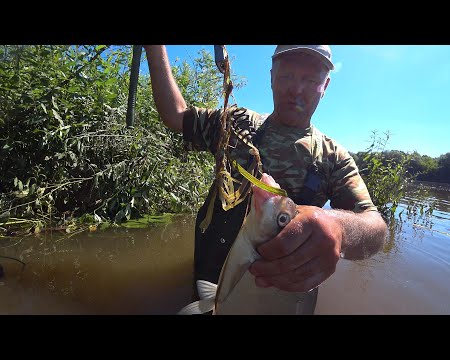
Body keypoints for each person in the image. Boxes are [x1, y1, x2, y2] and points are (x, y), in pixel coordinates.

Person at [144, 45, 387, 298]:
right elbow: (176, 115)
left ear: (324, 87)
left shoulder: (334, 157)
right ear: (271, 78)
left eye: (310, 80)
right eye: (287, 76)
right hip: (209, 282)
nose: (296, 89)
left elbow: (376, 231)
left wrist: (339, 228)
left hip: (279, 298)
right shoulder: (236, 123)